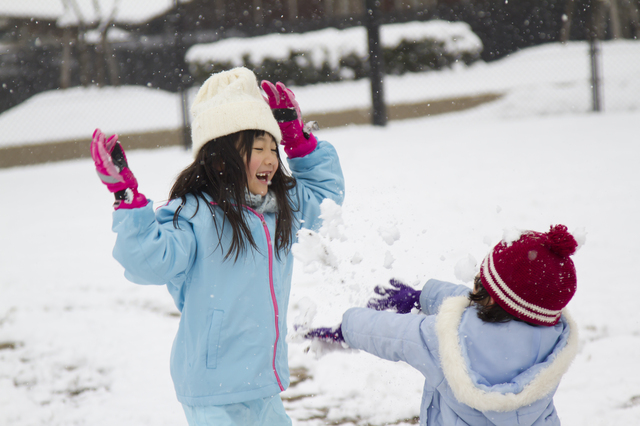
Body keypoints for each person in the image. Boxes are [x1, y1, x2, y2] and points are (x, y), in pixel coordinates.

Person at [90, 67, 345, 425]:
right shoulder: (194, 214)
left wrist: (299, 143)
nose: (271, 159)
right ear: (222, 159)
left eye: (274, 148)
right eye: (258, 149)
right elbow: (149, 262)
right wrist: (127, 198)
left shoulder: (278, 207)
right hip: (213, 390)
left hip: (263, 382)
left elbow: (326, 202)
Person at [306, 225, 580, 426]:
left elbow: (392, 333)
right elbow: (491, 306)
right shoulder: (551, 339)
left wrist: (348, 327)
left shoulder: (449, 339)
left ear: (490, 298)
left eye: (479, 282)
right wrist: (424, 296)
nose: (473, 285)